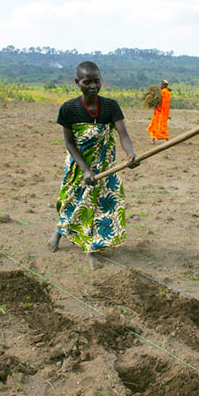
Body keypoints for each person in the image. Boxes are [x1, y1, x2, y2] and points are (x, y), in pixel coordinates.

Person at [47, 61, 139, 270]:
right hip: (79, 166)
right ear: (77, 82)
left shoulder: (110, 106)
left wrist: (130, 155)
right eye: (87, 82)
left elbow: (123, 134)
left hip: (105, 166)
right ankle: (59, 232)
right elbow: (69, 143)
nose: (93, 86)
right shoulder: (68, 109)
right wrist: (85, 170)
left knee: (100, 206)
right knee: (72, 201)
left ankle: (91, 249)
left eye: (96, 81)